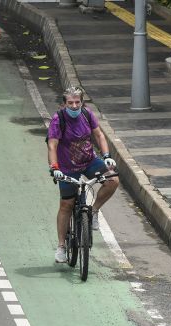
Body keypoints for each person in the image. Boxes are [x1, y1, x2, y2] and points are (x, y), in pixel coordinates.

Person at [47, 86, 119, 263]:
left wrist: (107, 156)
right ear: (64, 104)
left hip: (89, 161)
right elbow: (52, 146)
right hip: (66, 167)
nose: (74, 106)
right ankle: (61, 246)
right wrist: (55, 168)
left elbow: (99, 135)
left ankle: (93, 211)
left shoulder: (87, 114)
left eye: (77, 102)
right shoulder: (58, 119)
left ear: (81, 103)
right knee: (66, 204)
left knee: (113, 181)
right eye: (70, 103)